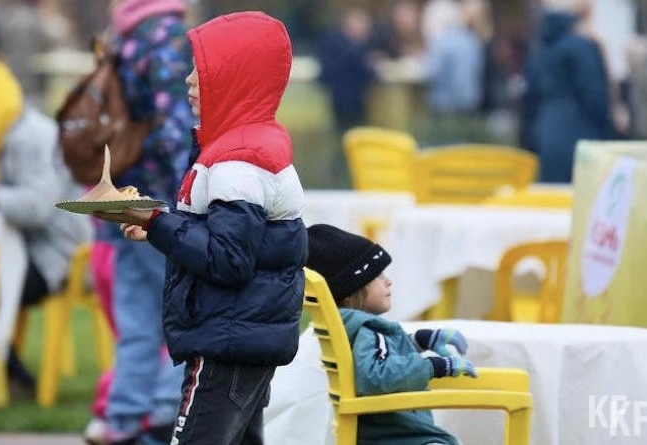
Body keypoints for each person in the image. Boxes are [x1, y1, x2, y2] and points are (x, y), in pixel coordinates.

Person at [94, 11, 308, 445]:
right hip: (242, 335)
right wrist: (156, 227)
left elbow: (228, 260)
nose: (188, 81)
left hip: (226, 340)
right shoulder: (246, 145)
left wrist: (153, 219)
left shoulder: (238, 162)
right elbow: (224, 238)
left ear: (236, 79)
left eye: (202, 71)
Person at [84, 1, 196, 443]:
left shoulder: (124, 37)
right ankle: (165, 411)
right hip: (158, 197)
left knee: (134, 316)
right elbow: (173, 122)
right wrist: (186, 190)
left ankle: (124, 415)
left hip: (122, 191)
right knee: (175, 308)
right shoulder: (165, 37)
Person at [0, 59, 92, 394]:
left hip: (53, 256)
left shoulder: (35, 136)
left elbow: (37, 207)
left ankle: (5, 373)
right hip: (15, 248)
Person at [305, 224, 477, 445]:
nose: (388, 280)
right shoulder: (369, 331)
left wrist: (420, 340)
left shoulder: (350, 328)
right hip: (400, 436)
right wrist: (434, 366)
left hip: (378, 432)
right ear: (350, 292)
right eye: (378, 276)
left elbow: (378, 356)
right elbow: (375, 375)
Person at [520, 0, 615, 183]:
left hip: (546, 132)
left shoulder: (542, 46)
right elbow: (594, 97)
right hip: (581, 135)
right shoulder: (582, 46)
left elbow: (530, 95)